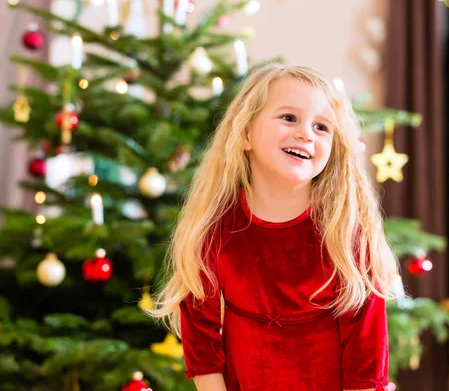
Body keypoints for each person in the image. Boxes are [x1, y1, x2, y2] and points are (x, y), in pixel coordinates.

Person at [148, 64, 399, 391]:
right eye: (289, 118)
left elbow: (366, 362)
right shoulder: (215, 229)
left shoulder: (346, 235)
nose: (306, 133)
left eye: (321, 126)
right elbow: (202, 340)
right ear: (245, 133)